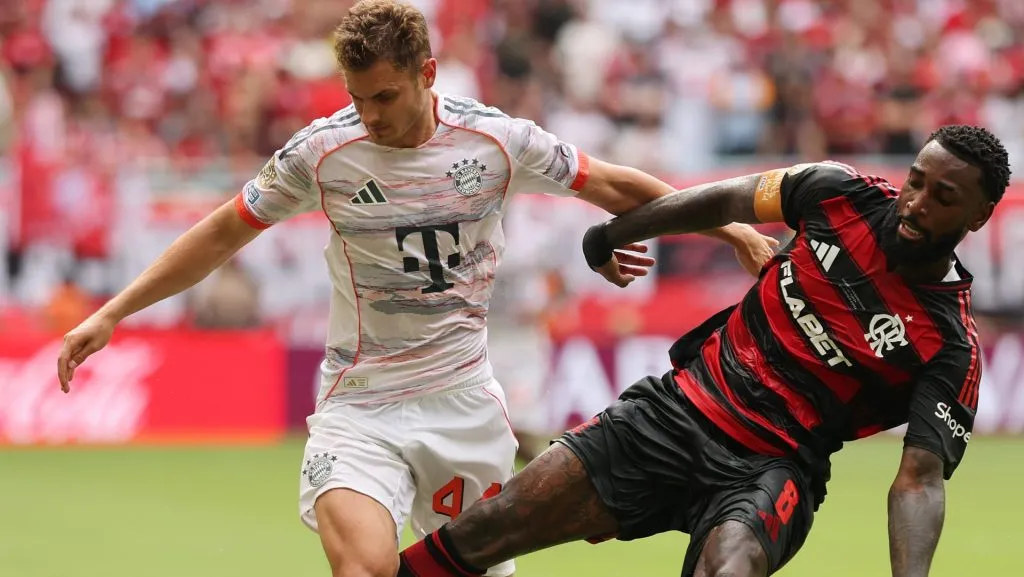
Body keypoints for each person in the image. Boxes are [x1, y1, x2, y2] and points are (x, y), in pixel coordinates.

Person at [53, 2, 778, 577]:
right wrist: (115, 312)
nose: (370, 115)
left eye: (386, 96)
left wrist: (732, 228)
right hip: (358, 405)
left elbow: (616, 184)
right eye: (358, 97)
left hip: (462, 405)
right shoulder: (320, 152)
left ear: (428, 73)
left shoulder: (497, 140)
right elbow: (220, 232)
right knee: (363, 566)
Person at [396, 124, 1010, 577]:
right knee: (483, 531)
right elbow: (726, 200)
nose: (918, 203)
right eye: (918, 182)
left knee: (729, 572)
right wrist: (614, 231)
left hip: (772, 468)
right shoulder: (835, 193)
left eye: (944, 198)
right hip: (675, 411)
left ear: (980, 214)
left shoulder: (950, 346)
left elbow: (919, 481)